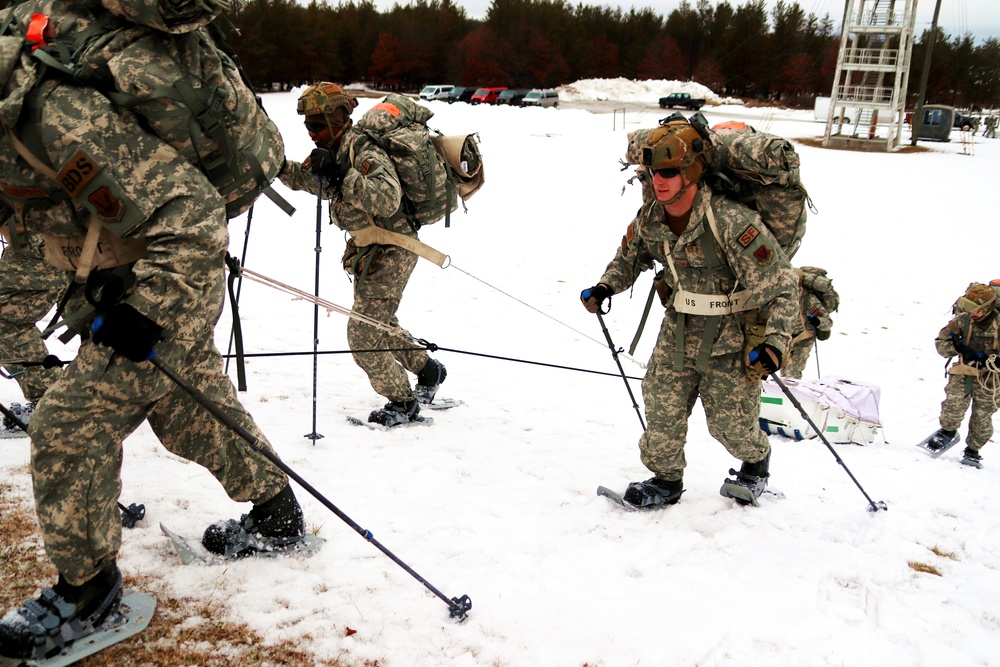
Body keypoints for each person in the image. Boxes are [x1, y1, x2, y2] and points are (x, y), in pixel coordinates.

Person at [0, 3, 306, 660]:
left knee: (67, 424)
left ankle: (89, 593)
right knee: (183, 402)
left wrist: (149, 310)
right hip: (125, 262)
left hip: (173, 267)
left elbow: (191, 215)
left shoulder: (50, 115)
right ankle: (278, 512)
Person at [581, 117, 799, 508]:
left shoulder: (731, 221)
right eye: (652, 172)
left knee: (732, 428)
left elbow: (781, 286)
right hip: (678, 332)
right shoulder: (651, 216)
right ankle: (666, 480)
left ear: (692, 172)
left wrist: (775, 343)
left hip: (731, 340)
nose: (658, 180)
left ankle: (756, 461)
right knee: (661, 406)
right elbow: (630, 257)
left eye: (669, 171)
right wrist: (605, 286)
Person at [279, 83, 447, 427]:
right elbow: (314, 182)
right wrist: (277, 167)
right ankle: (429, 370)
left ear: (338, 119)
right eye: (308, 127)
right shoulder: (332, 149)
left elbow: (386, 198)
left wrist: (343, 173)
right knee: (379, 324)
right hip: (369, 250)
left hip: (394, 249)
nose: (312, 133)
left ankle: (402, 402)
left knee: (362, 334)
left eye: (318, 125)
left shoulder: (364, 150)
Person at [0, 208, 71, 435]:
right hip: (41, 236)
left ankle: (53, 407)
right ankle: (54, 403)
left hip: (46, 239)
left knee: (5, 323)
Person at [925, 283, 1000, 467]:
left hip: (991, 378)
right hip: (964, 370)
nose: (973, 314)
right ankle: (947, 432)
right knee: (953, 404)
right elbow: (941, 340)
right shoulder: (963, 320)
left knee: (982, 416)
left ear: (988, 307)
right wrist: (957, 348)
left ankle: (973, 450)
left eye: (978, 311)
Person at [781, 266, 840, 380]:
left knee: (792, 372)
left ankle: (793, 393)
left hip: (804, 338)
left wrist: (817, 321)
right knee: (783, 371)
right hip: (786, 337)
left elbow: (827, 322)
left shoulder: (808, 299)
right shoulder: (782, 296)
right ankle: (785, 394)